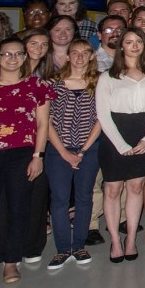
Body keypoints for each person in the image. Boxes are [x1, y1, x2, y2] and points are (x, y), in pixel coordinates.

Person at [0, 46, 51, 288]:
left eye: (18, 54)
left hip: (22, 154)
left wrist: (38, 156)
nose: (12, 59)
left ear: (25, 58)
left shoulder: (37, 85)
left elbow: (43, 123)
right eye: (7, 54)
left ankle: (11, 261)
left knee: (18, 208)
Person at [95, 28, 145, 263]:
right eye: (128, 42)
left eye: (138, 42)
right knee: (112, 190)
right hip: (115, 136)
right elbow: (102, 114)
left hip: (143, 132)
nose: (134, 46)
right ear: (121, 46)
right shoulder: (107, 76)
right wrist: (121, 145)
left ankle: (131, 238)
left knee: (135, 187)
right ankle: (114, 240)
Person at [41, 39, 102, 269]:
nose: (79, 57)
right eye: (74, 52)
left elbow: (100, 120)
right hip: (58, 150)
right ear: (67, 56)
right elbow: (46, 121)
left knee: (84, 197)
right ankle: (62, 249)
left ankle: (79, 245)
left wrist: (84, 149)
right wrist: (64, 152)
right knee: (59, 200)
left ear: (91, 56)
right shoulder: (52, 84)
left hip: (89, 149)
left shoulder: (99, 83)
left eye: (84, 52)